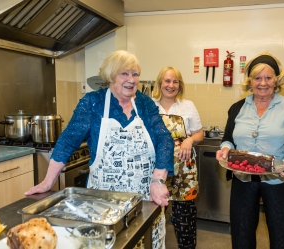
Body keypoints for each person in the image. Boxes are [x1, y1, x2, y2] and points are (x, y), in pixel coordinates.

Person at [25, 50, 174, 249]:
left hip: (144, 201)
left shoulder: (145, 104)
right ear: (111, 76)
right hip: (102, 206)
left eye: (135, 74)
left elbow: (164, 139)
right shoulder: (92, 103)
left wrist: (157, 180)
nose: (131, 79)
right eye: (125, 74)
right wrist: (47, 181)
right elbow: (67, 141)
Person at [216, 52, 284, 249]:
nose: (263, 83)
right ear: (250, 81)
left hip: (278, 178)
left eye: (268, 77)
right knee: (242, 232)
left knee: (283, 233)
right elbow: (228, 139)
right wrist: (224, 149)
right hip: (243, 179)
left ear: (277, 79)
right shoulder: (237, 108)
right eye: (257, 78)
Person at [152, 66, 204, 249]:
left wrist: (190, 140)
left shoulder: (187, 105)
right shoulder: (150, 105)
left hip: (184, 170)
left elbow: (200, 133)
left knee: (185, 218)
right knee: (154, 216)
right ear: (160, 83)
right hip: (157, 170)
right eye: (167, 81)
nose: (171, 85)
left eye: (175, 81)